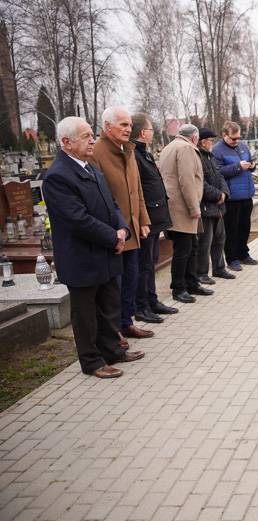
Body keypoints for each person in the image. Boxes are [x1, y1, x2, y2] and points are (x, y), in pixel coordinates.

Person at [42, 116, 145, 378]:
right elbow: (78, 219)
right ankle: (91, 362)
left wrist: (123, 229)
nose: (92, 140)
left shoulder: (89, 167)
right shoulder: (57, 176)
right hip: (82, 258)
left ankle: (112, 350)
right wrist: (114, 237)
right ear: (66, 142)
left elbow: (111, 203)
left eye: (91, 134)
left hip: (105, 253)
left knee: (109, 306)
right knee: (86, 315)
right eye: (86, 136)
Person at [90, 106, 153, 341]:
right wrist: (112, 231)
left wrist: (144, 220)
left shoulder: (128, 150)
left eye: (129, 125)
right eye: (123, 125)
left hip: (133, 230)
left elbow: (137, 190)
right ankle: (113, 331)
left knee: (131, 280)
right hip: (114, 233)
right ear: (107, 127)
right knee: (113, 287)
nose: (129, 129)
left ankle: (127, 322)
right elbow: (98, 198)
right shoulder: (97, 152)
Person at [131, 113, 178, 322]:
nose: (152, 133)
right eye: (151, 129)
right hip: (147, 219)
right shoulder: (134, 155)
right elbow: (138, 190)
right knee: (144, 265)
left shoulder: (144, 154)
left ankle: (152, 301)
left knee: (151, 261)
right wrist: (143, 220)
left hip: (155, 218)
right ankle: (141, 307)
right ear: (143, 132)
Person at [160, 124, 212, 303]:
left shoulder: (170, 147)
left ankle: (192, 282)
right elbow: (187, 179)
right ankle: (179, 287)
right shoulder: (186, 148)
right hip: (183, 207)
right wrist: (194, 208)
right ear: (195, 137)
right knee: (183, 249)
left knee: (191, 246)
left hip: (175, 205)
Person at [212, 121, 257, 272]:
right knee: (232, 229)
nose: (236, 141)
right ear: (225, 135)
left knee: (245, 227)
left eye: (238, 138)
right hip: (232, 197)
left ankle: (243, 253)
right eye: (233, 138)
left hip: (246, 194)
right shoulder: (217, 150)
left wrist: (252, 165)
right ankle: (232, 258)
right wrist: (238, 167)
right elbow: (217, 173)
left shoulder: (242, 146)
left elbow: (250, 162)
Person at [196, 127, 233, 283]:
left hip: (218, 207)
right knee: (205, 242)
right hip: (207, 207)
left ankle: (219, 268)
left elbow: (220, 177)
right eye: (211, 141)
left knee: (220, 239)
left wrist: (224, 193)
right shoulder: (198, 158)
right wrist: (217, 195)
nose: (212, 143)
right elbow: (201, 184)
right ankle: (202, 273)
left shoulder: (210, 157)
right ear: (203, 142)